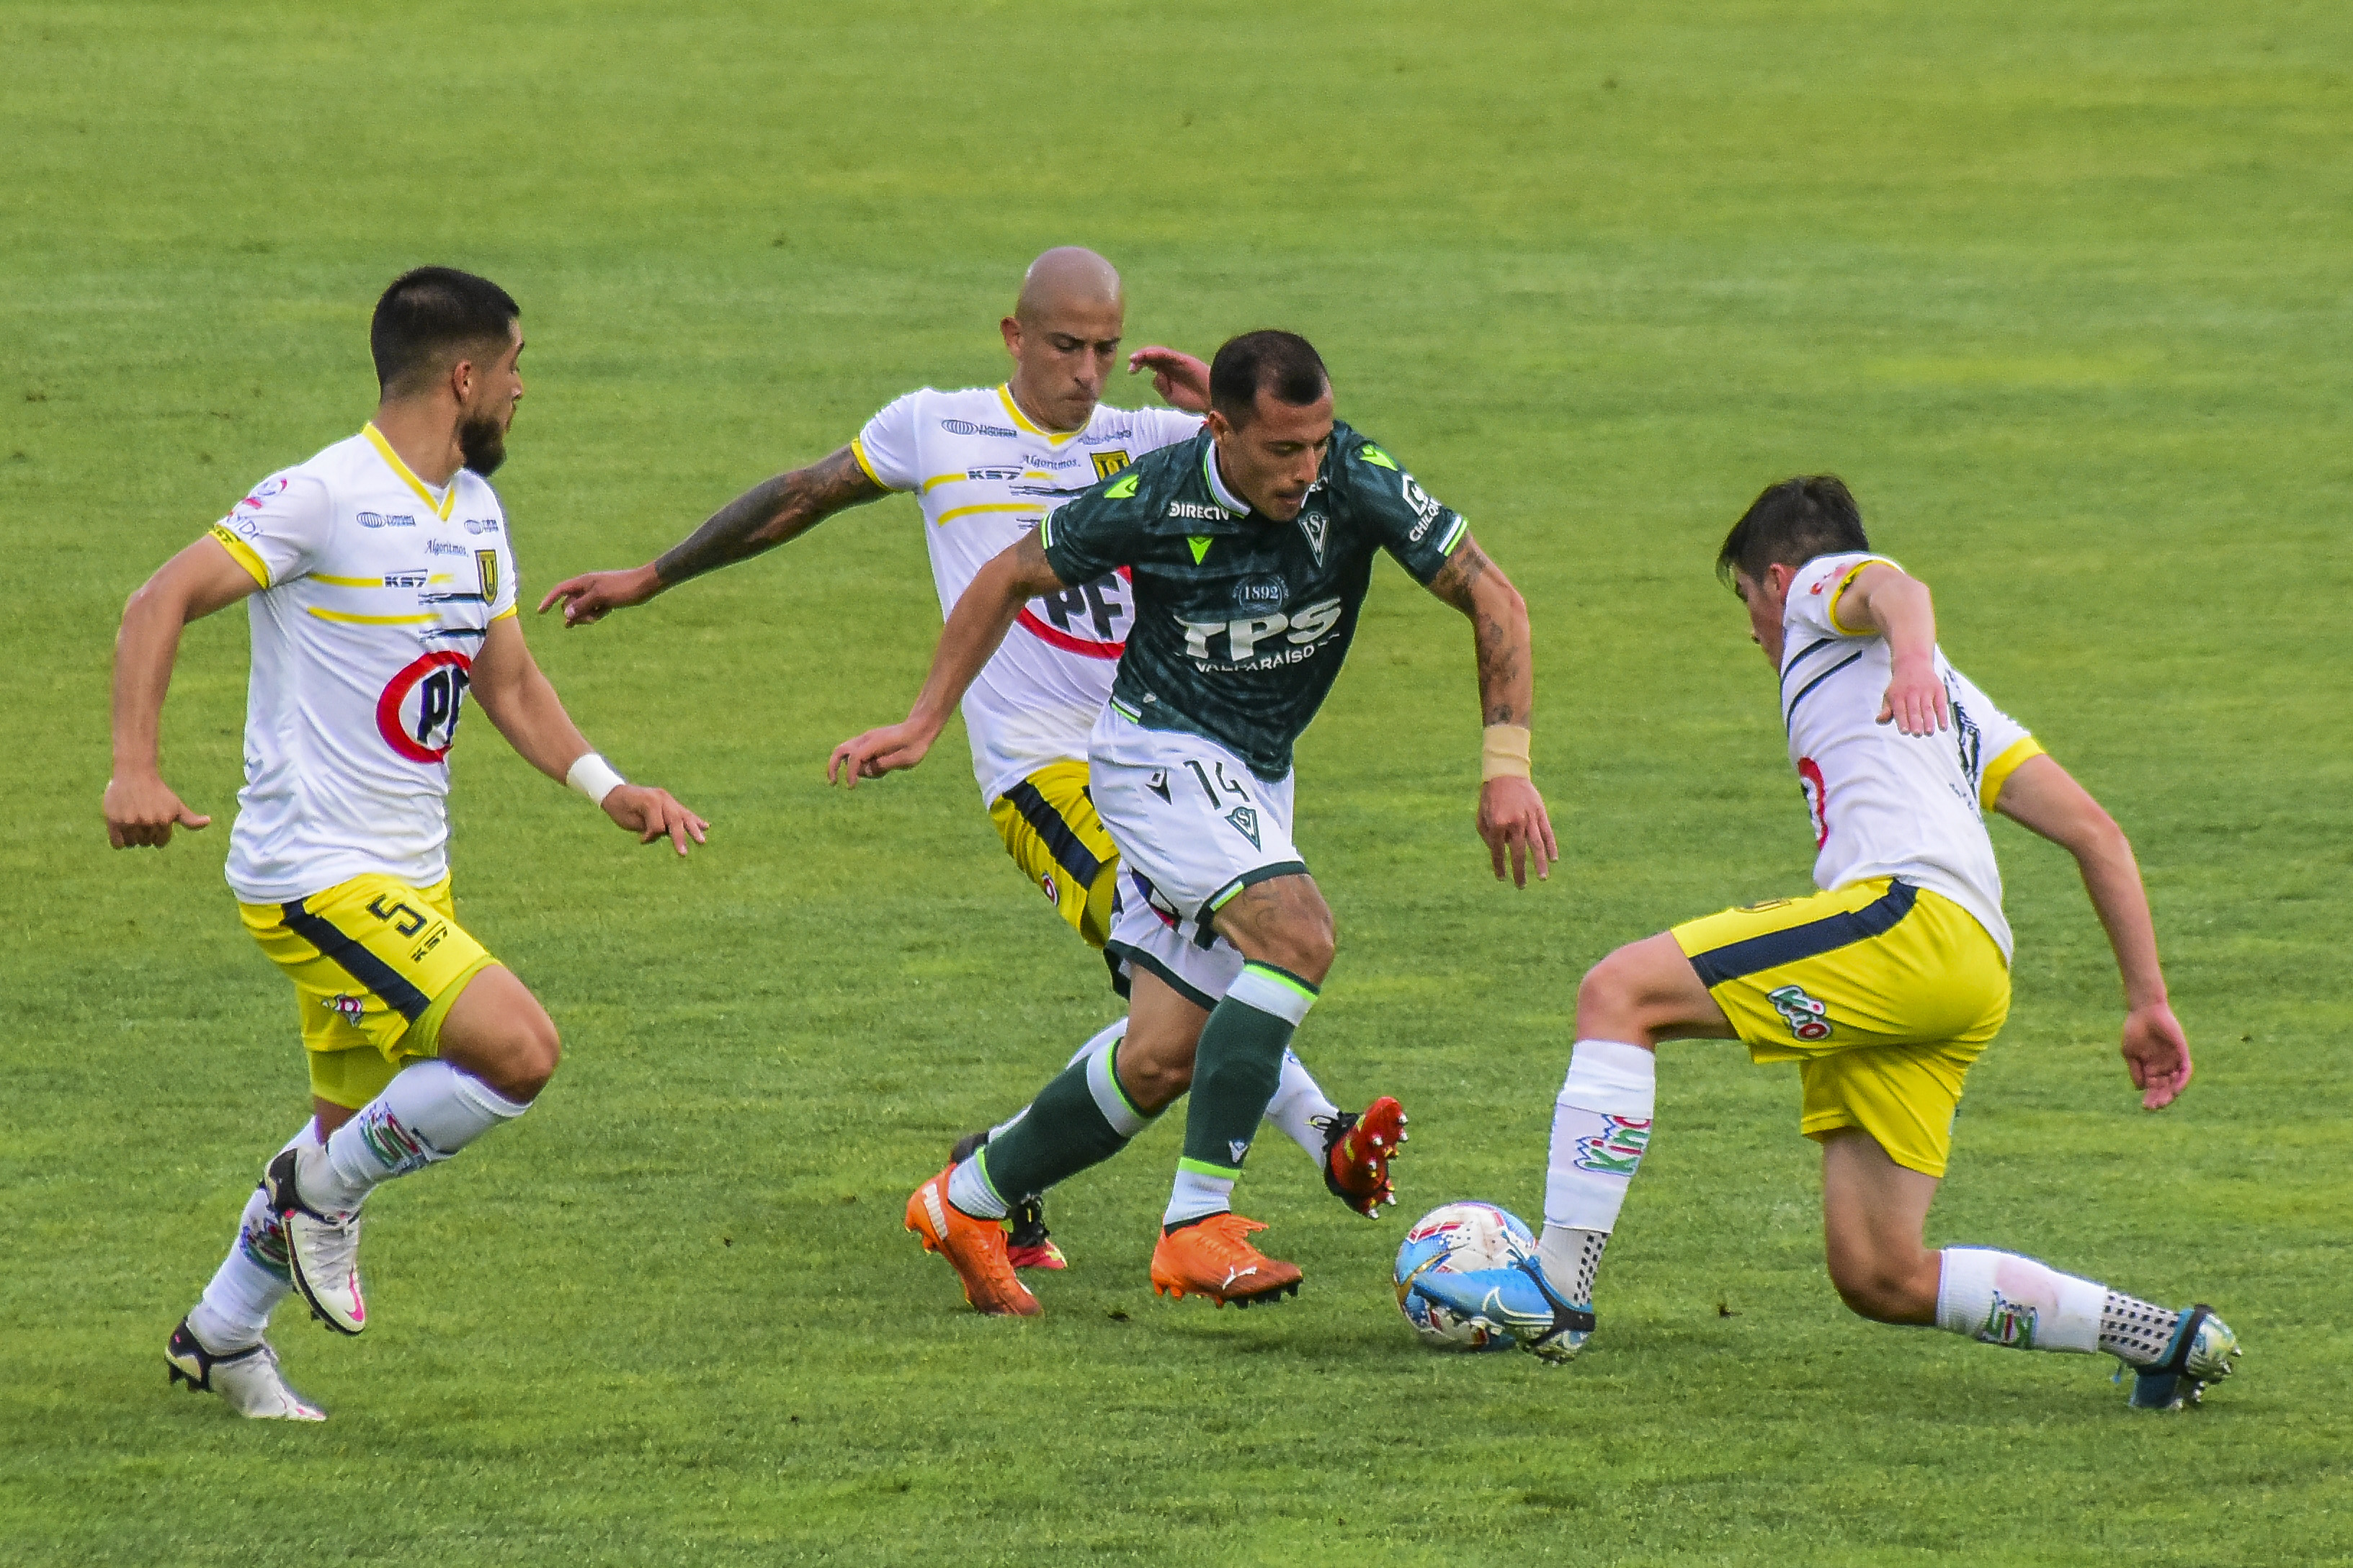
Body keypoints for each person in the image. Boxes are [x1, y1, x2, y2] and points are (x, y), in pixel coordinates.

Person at [538, 249, 1408, 1271]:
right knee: (1198, 973)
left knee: (1184, 998)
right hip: (1044, 771)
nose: (1087, 371)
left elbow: (1285, 445)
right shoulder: (936, 426)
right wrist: (651, 575)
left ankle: (992, 1175)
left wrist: (1201, 405)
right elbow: (801, 495)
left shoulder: (1152, 440)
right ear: (1013, 336)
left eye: (1106, 348)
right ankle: (1293, 1141)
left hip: (1178, 759)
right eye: (1066, 345)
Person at [1410, 476, 2239, 1410]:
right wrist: (2147, 1002)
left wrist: (1911, 659)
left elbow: (1896, 589)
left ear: (1776, 580)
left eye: (1745, 602)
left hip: (1908, 925)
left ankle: (1558, 1290)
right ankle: (2161, 1337)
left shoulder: (1818, 598)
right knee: (1878, 1272)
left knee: (1618, 992)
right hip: (1968, 972)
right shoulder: (1966, 710)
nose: (1752, 632)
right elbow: (2097, 834)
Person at [832, 329, 1555, 1316]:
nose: (1306, 472)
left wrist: (1506, 768)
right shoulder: (1156, 495)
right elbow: (1005, 574)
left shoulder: (1355, 475)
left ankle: (970, 1197)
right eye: (1282, 450)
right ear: (1219, 430)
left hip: (1256, 774)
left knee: (1163, 1053)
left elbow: (1493, 594)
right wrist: (923, 721)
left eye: (1318, 443)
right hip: (1156, 757)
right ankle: (1194, 1222)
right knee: (1298, 935)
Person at [109, 267, 707, 1421]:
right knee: (517, 1052)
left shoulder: (473, 510)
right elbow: (156, 601)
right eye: (515, 367)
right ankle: (316, 1195)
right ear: (464, 377)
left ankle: (223, 1332)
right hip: (315, 877)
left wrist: (609, 787)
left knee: (352, 1124)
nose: (523, 389)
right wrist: (135, 767)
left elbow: (506, 680)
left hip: (409, 879)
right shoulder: (322, 496)